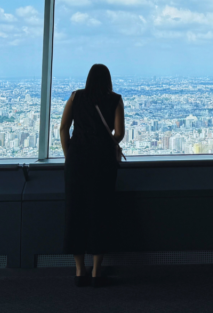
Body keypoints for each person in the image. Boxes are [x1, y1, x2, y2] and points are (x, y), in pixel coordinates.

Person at [60, 64, 125, 287]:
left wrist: (70, 155)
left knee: (75, 213)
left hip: (77, 162)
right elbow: (120, 133)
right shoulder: (115, 99)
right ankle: (97, 272)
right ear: (108, 80)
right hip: (102, 164)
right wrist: (105, 144)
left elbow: (63, 128)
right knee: (101, 213)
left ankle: (80, 270)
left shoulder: (75, 97)